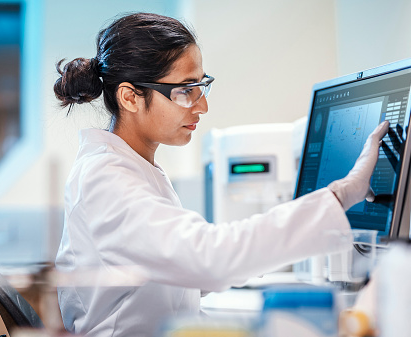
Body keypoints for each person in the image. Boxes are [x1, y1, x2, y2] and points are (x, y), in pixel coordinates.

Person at [54, 12, 389, 337]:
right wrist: (341, 195)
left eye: (201, 86)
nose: (202, 106)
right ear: (130, 97)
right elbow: (209, 258)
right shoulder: (106, 179)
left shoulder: (137, 168)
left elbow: (187, 272)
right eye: (185, 90)